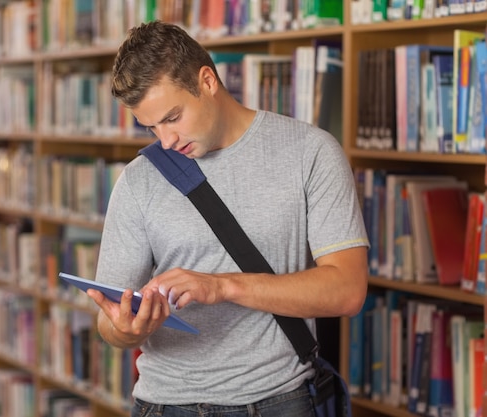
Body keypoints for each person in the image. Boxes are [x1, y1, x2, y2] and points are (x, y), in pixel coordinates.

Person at [87, 20, 369, 417]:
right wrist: (124, 330)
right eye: (150, 127)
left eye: (172, 118)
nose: (165, 141)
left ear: (207, 81)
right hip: (165, 405)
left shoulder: (310, 153)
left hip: (281, 401)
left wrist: (221, 287)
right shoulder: (139, 180)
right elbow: (109, 320)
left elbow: (348, 290)